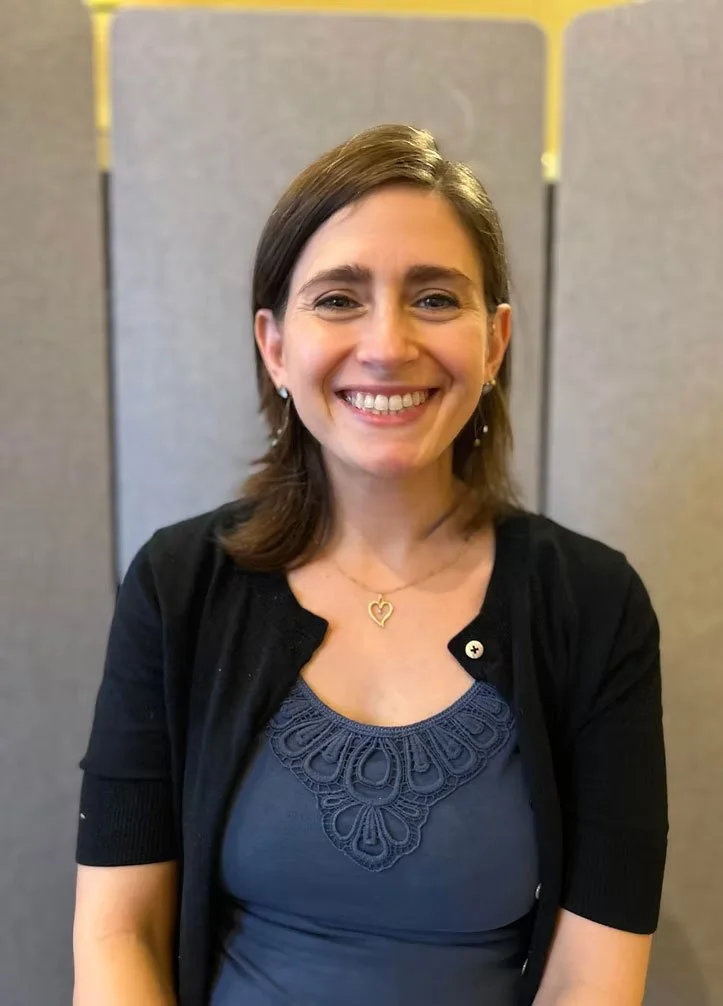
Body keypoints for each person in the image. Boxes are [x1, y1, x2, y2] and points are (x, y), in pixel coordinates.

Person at [72, 123, 668, 1006]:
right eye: (339, 299)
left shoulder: (593, 605)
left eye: (434, 298)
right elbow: (120, 930)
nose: (387, 344)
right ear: (275, 346)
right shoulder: (179, 585)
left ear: (495, 341)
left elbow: (595, 975)